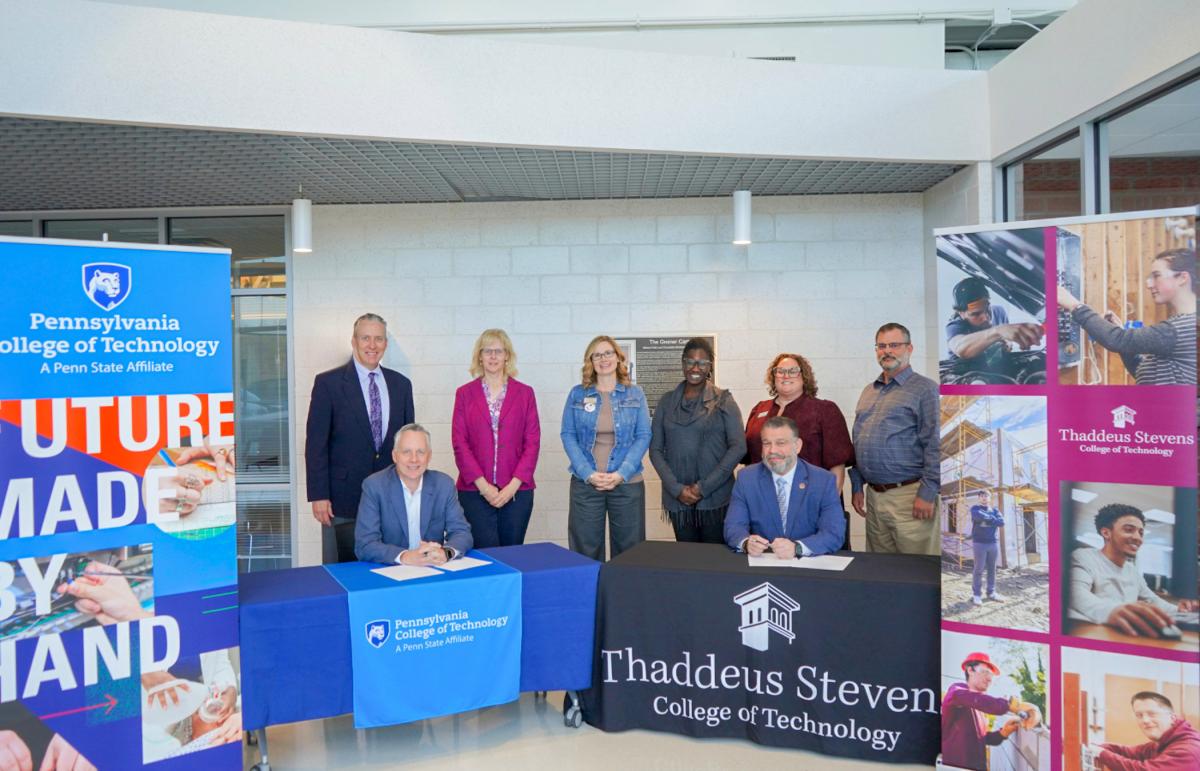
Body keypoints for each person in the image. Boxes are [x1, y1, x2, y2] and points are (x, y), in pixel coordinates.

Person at [306, 313, 415, 563]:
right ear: (353, 341)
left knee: (390, 568)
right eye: (365, 338)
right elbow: (316, 444)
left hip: (392, 497)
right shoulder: (328, 384)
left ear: (385, 344)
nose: (372, 345)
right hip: (342, 499)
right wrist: (318, 495)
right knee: (342, 572)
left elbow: (409, 445)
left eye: (378, 339)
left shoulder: (401, 385)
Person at [742, 352, 853, 548]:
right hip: (766, 509)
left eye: (793, 371)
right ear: (773, 376)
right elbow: (750, 461)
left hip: (810, 507)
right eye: (780, 371)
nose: (786, 375)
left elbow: (837, 466)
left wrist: (826, 508)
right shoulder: (759, 410)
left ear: (804, 376)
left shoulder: (824, 410)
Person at [848, 323, 940, 555]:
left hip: (910, 497)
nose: (887, 351)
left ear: (910, 348)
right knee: (884, 572)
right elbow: (859, 439)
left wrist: (928, 493)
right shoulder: (869, 391)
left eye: (894, 345)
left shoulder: (925, 390)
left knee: (917, 571)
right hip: (874, 498)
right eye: (881, 346)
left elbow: (937, 444)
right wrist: (857, 485)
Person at [560, 335, 651, 562]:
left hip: (627, 483)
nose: (604, 359)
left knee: (630, 551)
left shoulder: (635, 393)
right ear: (591, 360)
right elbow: (568, 434)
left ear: (618, 358)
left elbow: (643, 435)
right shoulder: (577, 394)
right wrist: (587, 473)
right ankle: (590, 596)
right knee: (585, 550)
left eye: (608, 353)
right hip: (586, 484)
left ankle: (625, 597)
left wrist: (622, 473)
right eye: (597, 354)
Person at [649, 338, 745, 543]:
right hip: (678, 500)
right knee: (687, 561)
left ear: (710, 366)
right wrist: (677, 489)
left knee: (715, 562)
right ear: (683, 364)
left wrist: (702, 488)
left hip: (715, 498)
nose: (695, 367)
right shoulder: (666, 402)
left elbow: (738, 447)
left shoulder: (723, 400)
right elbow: (655, 450)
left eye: (702, 362)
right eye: (690, 361)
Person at [451, 329, 540, 547]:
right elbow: (459, 443)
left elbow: (533, 442)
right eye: (487, 351)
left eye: (498, 351)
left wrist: (511, 487)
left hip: (517, 492)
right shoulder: (464, 393)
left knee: (512, 555)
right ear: (479, 356)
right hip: (475, 492)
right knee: (484, 557)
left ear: (507, 355)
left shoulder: (525, 393)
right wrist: (484, 487)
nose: (493, 356)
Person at [1056, 248, 1197, 385]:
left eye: (1156, 275)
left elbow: (1117, 340)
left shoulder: (1179, 329)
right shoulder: (1185, 324)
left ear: (1183, 278)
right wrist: (1120, 332)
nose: (1148, 284)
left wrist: (1074, 305)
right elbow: (1144, 374)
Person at [1069, 504, 1198, 638]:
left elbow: (1152, 600)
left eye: (1141, 533)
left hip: (1127, 634)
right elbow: (1074, 593)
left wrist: (1181, 610)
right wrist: (1110, 611)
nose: (1138, 538)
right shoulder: (1084, 557)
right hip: (1095, 634)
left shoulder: (1131, 570)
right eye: (1129, 530)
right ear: (1106, 533)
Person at [724, 416, 845, 558]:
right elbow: (733, 526)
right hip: (763, 566)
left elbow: (834, 533)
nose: (772, 450)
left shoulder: (823, 481)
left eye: (780, 443)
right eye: (766, 443)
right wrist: (745, 543)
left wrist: (798, 548)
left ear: (797, 446)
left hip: (808, 567)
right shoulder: (746, 478)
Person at [354, 424, 473, 565]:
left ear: (429, 456)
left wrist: (445, 552)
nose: (414, 459)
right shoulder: (374, 486)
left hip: (432, 570)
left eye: (421, 452)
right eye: (406, 452)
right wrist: (406, 557)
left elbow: (462, 533)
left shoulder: (443, 485)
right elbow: (365, 545)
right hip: (390, 572)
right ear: (394, 456)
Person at [941, 652, 1039, 771]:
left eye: (991, 675)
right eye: (985, 672)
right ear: (970, 670)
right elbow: (966, 697)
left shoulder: (980, 710)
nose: (989, 679)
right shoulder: (956, 693)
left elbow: (982, 739)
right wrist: (1012, 705)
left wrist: (1003, 733)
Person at [1090, 691, 1200, 770]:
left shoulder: (1187, 750)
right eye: (1139, 715)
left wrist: (1100, 753)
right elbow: (1127, 751)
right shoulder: (1163, 743)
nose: (1145, 720)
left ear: (1172, 718)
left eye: (1152, 714)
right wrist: (1093, 747)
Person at [945, 276, 1043, 364]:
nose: (986, 317)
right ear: (961, 313)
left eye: (987, 308)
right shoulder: (955, 326)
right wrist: (999, 331)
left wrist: (1007, 344)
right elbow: (960, 348)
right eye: (976, 314)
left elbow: (1007, 342)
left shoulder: (999, 311)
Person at [969, 489, 1005, 606]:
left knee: (992, 569)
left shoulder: (995, 510)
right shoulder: (975, 509)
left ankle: (991, 592)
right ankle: (977, 595)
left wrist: (987, 519)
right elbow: (978, 517)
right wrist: (993, 520)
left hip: (993, 543)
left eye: (986, 496)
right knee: (979, 569)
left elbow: (1002, 522)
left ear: (990, 498)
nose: (984, 498)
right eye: (982, 496)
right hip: (979, 543)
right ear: (979, 498)